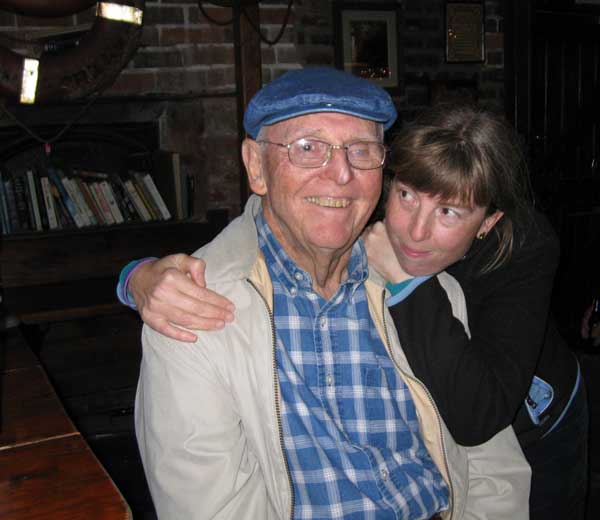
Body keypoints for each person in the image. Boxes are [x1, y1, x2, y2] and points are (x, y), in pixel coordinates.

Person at [122, 103, 587, 519]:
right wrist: (137, 276)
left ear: (488, 221)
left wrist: (409, 284)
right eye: (405, 195)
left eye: (449, 213)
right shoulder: (362, 226)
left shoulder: (522, 251)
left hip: (531, 413)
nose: (415, 233)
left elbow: (478, 420)